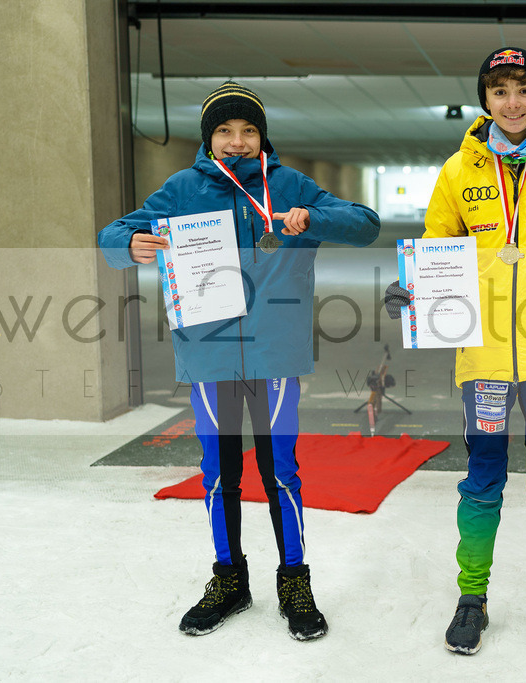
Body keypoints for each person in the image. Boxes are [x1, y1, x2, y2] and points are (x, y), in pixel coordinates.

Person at [98, 81, 380, 641]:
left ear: (262, 136)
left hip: (276, 353)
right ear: (209, 139)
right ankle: (229, 579)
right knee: (219, 474)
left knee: (282, 473)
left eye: (248, 130)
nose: (237, 141)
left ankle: (294, 580)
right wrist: (128, 246)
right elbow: (114, 234)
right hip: (210, 353)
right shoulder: (182, 189)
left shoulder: (290, 185)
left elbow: (365, 224)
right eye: (225, 131)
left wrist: (312, 218)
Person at [385, 47, 526, 656]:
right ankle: (471, 597)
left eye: (523, 89)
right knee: (481, 483)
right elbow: (437, 253)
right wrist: (412, 294)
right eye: (499, 90)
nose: (511, 102)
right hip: (482, 360)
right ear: (484, 99)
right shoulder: (459, 172)